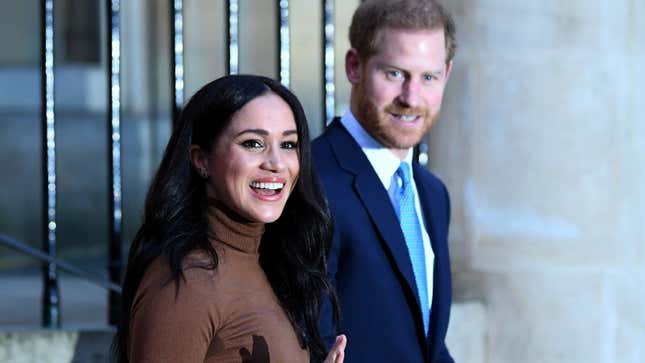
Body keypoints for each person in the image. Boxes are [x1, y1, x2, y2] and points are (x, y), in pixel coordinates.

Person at [112, 75, 346, 363]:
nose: (276, 163)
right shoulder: (187, 282)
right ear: (201, 160)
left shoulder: (272, 263)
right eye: (253, 143)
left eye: (288, 145)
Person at [313, 0, 456, 362]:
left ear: (447, 74)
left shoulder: (433, 194)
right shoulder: (311, 180)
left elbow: (427, 345)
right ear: (354, 67)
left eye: (428, 77)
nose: (411, 97)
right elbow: (311, 341)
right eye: (394, 73)